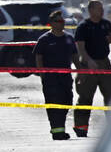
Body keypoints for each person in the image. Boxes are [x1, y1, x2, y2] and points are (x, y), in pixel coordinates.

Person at [73, 0, 111, 137]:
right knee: (85, 97)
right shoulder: (83, 26)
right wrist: (88, 61)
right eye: (99, 8)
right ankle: (81, 128)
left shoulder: (106, 24)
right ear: (91, 10)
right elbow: (80, 48)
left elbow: (110, 38)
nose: (102, 11)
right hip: (89, 64)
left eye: (102, 9)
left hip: (105, 64)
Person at [32, 9, 77, 140]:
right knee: (53, 104)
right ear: (51, 23)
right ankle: (57, 132)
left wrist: (81, 72)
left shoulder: (69, 38)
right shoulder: (44, 39)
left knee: (67, 101)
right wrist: (42, 74)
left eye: (62, 21)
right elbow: (38, 57)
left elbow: (75, 56)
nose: (61, 23)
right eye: (58, 21)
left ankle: (59, 129)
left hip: (65, 78)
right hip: (50, 79)